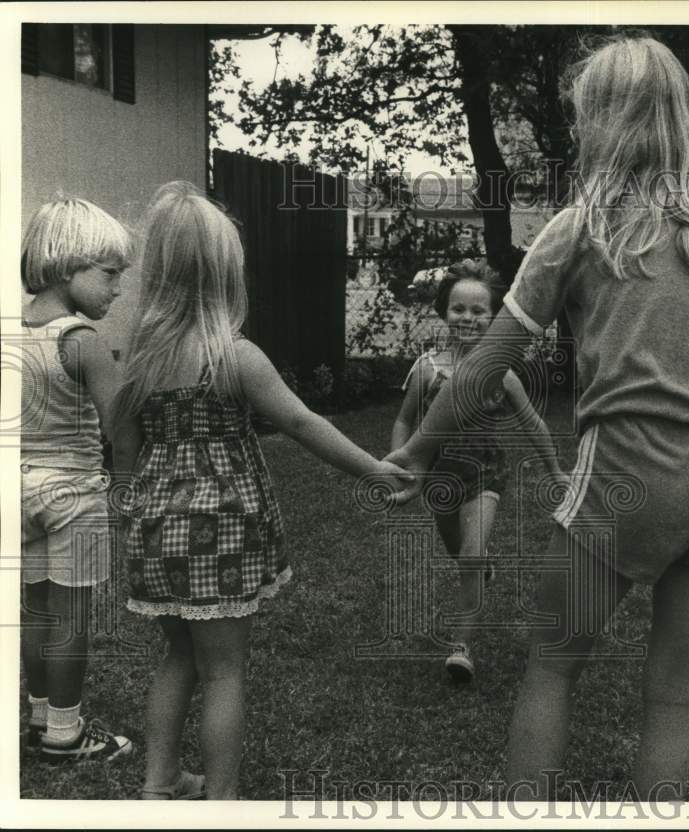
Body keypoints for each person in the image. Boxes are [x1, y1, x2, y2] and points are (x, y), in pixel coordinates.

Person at [387, 35, 689, 798]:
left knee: (552, 666)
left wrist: (417, 452)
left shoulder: (582, 225)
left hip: (626, 480)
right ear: (681, 115)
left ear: (601, 122)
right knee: (675, 700)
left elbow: (484, 366)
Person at [114, 182, 411, 800]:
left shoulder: (139, 361)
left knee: (177, 659)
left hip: (156, 530)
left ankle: (157, 783)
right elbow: (302, 423)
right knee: (224, 672)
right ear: (225, 274)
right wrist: (372, 470)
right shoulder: (235, 356)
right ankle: (222, 800)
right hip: (221, 534)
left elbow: (124, 451)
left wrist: (131, 511)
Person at [391, 258, 566, 683]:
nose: (467, 318)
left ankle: (462, 646)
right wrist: (397, 463)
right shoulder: (427, 370)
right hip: (440, 481)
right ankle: (478, 566)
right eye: (458, 309)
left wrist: (556, 472)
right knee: (459, 551)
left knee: (470, 557)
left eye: (478, 311)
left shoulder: (500, 375)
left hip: (486, 475)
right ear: (443, 311)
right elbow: (403, 420)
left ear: (494, 318)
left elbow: (533, 424)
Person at [19, 197, 134, 763]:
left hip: (16, 491)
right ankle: (65, 732)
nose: (117, 289)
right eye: (110, 274)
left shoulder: (14, 334)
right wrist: (133, 490)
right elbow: (122, 427)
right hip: (75, 497)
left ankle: (38, 714)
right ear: (68, 266)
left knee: (33, 610)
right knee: (70, 619)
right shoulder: (82, 339)